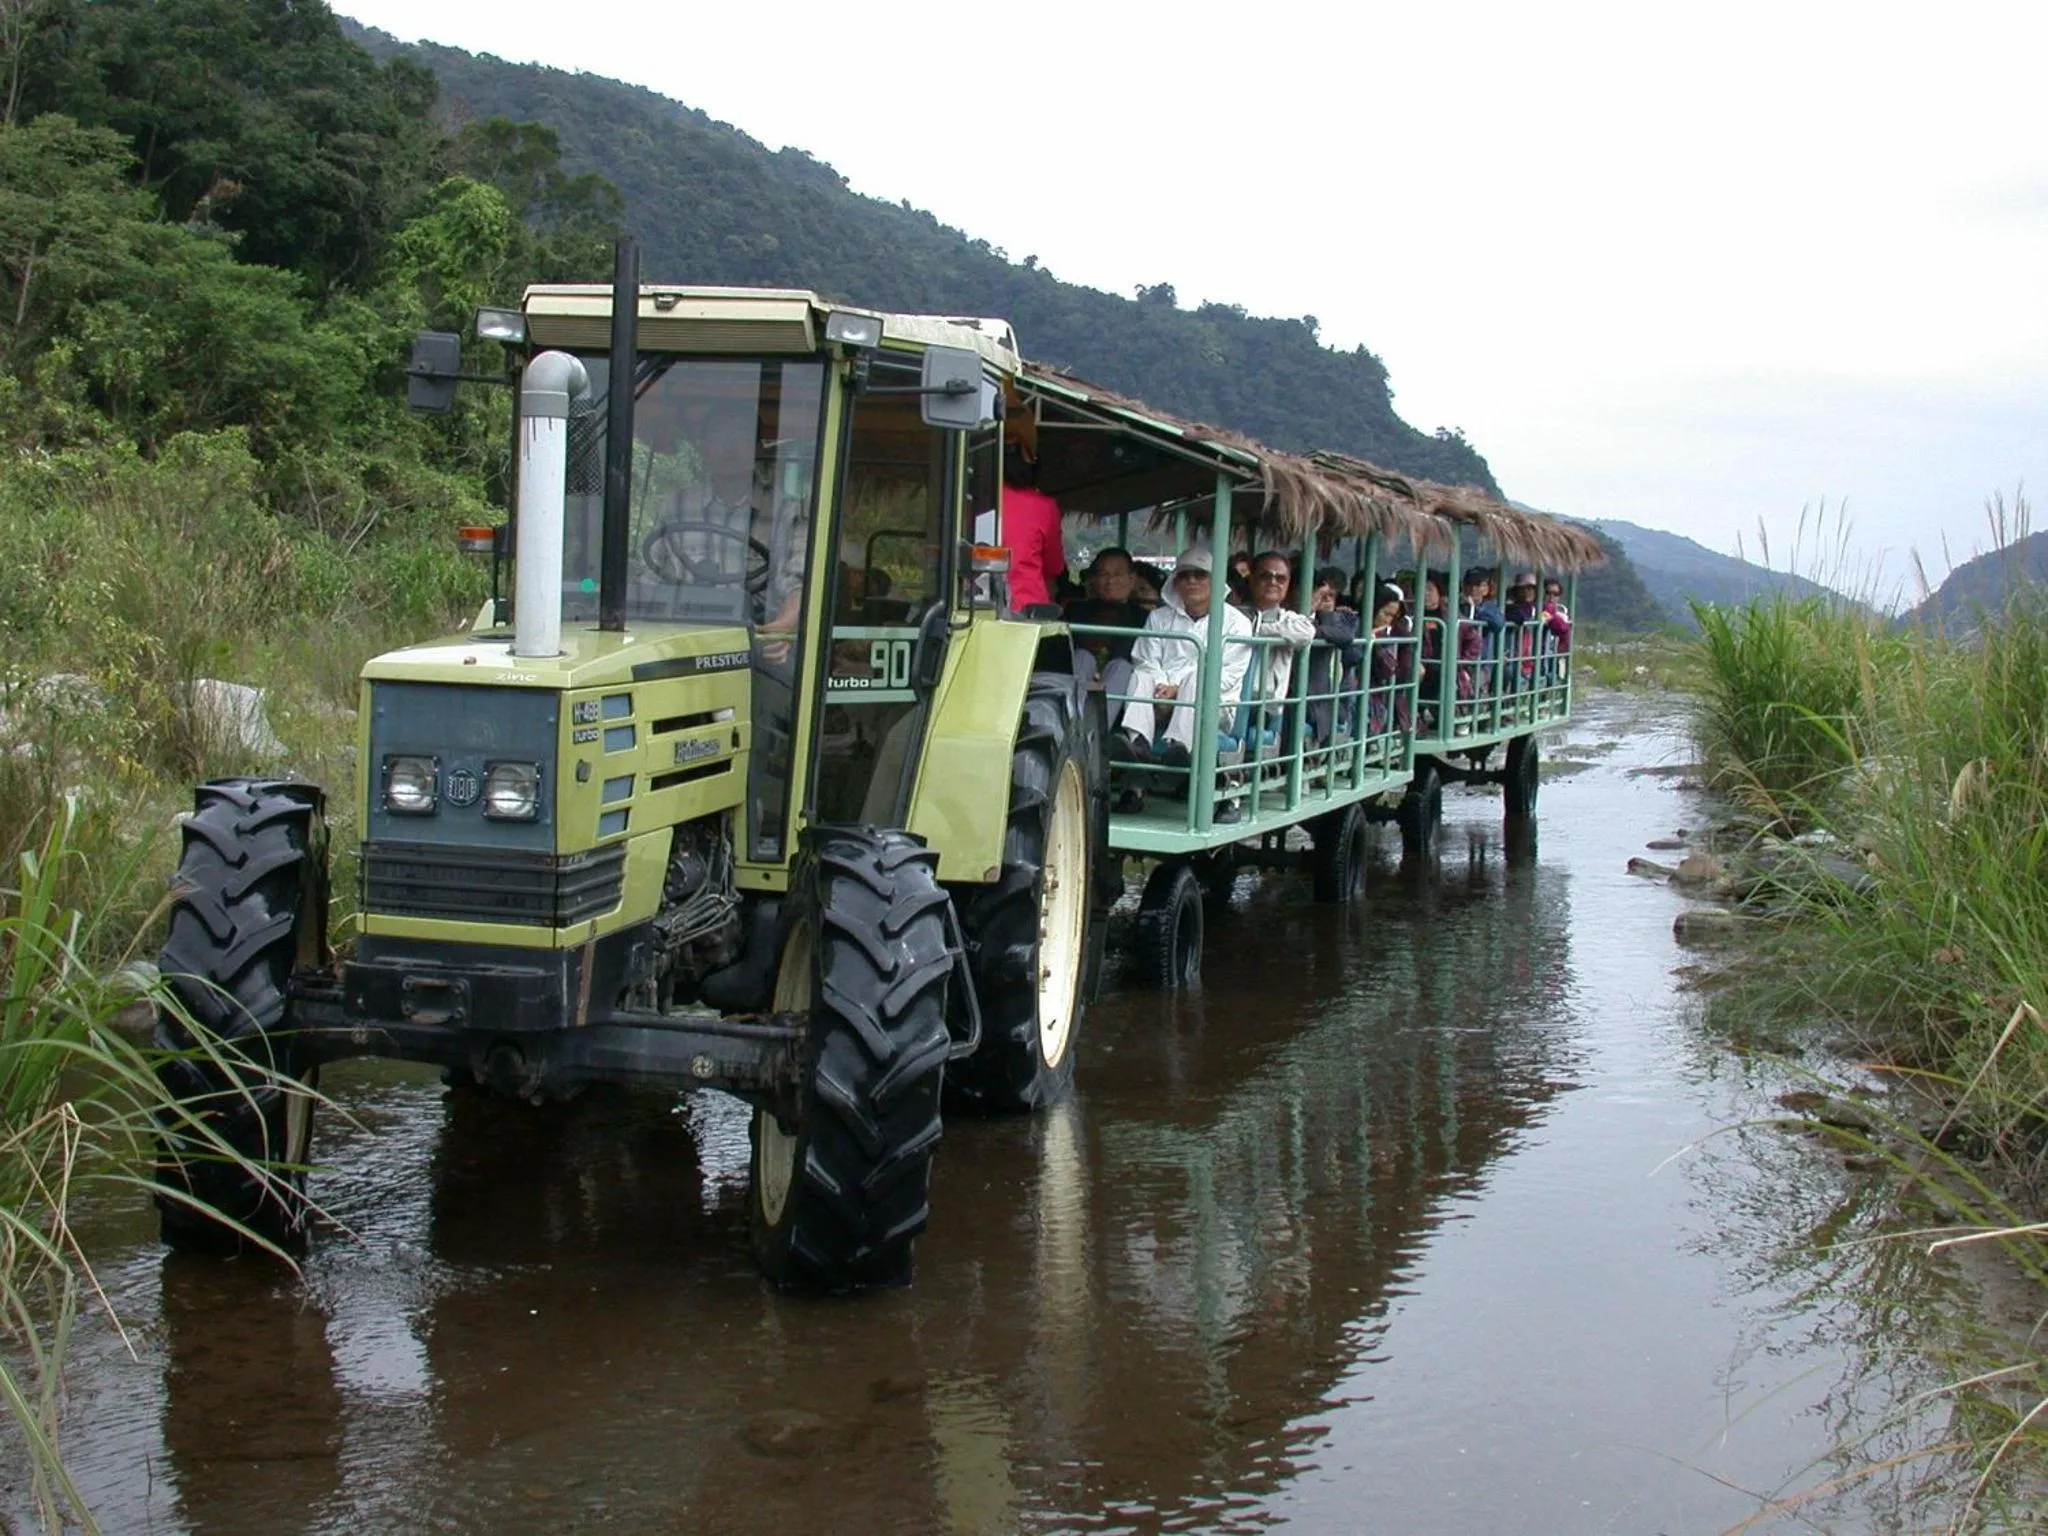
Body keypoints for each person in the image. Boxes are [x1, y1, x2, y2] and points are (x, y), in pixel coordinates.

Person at [1112, 546, 1252, 773]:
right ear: (1176, 582)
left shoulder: (1237, 623)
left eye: (1200, 575)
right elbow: (1145, 659)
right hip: (1157, 698)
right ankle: (1138, 744)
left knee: (1199, 678)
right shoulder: (1159, 617)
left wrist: (1177, 690)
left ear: (1214, 580)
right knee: (1140, 675)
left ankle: (1179, 747)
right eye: (1184, 575)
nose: (1192, 581)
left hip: (1213, 704)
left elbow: (1227, 676)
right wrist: (1161, 688)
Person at [1063, 546, 1149, 701]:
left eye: (1118, 574)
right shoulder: (1074, 611)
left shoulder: (1144, 618)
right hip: (1079, 678)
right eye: (1103, 574)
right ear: (1094, 579)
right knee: (1082, 657)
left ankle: (1094, 724)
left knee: (1121, 668)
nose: (1110, 581)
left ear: (1132, 579)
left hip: (1119, 684)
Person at [1244, 551, 1317, 719]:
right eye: (1265, 576)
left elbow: (1306, 633)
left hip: (1266, 702)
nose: (1273, 582)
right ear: (1252, 579)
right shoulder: (1234, 614)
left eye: (1280, 578)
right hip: (1228, 696)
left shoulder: (1290, 619)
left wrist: (1260, 631)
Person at [1000, 447, 1065, 612]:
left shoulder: (976, 499)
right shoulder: (1045, 506)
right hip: (1027, 604)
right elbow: (1054, 566)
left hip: (975, 602)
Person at [1305, 564, 1362, 743]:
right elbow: (1298, 629)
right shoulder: (1297, 615)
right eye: (1322, 595)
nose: (1326, 599)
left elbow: (1351, 649)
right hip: (1310, 696)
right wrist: (1311, 611)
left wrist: (1321, 624)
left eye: (1331, 596)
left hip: (1334, 695)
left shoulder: (1343, 618)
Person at [1366, 582, 1413, 736]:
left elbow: (1390, 671)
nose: (1388, 620)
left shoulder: (1394, 635)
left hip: (1379, 695)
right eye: (1386, 614)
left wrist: (1378, 643)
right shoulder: (1353, 623)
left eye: (1393, 616)